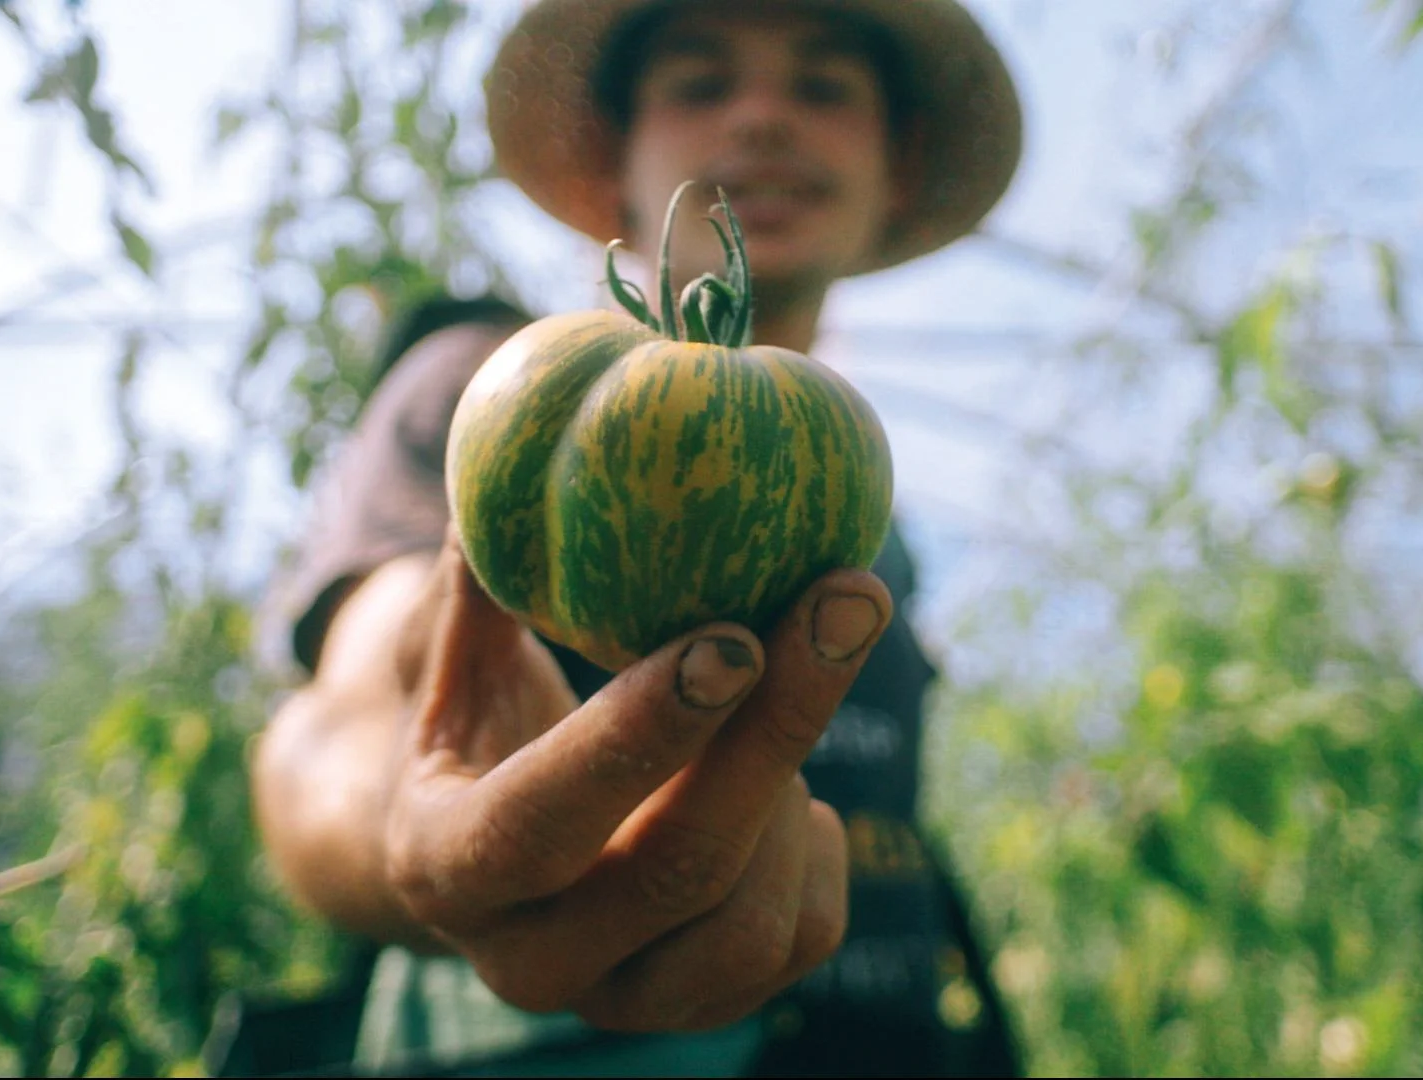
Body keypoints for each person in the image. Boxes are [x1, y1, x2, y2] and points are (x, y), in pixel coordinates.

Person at [243, 0, 1026, 1074]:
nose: (761, 118)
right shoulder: (495, 386)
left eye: (824, 87)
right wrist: (424, 835)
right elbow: (336, 731)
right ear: (614, 169)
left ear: (898, 170)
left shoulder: (871, 519)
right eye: (702, 84)